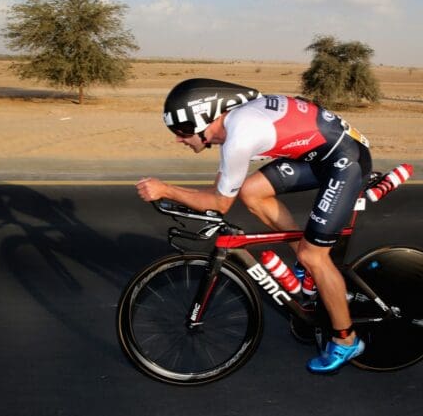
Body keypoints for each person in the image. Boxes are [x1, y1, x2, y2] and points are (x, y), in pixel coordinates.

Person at [136, 78, 373, 373]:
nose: (178, 139)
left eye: (182, 131)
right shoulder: (235, 125)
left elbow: (219, 203)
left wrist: (167, 190)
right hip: (319, 154)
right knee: (251, 191)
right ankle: (306, 264)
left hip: (345, 160)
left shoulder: (239, 136)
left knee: (315, 256)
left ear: (203, 119)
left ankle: (346, 340)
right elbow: (222, 190)